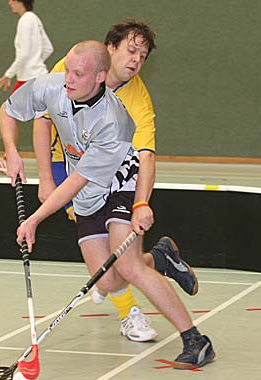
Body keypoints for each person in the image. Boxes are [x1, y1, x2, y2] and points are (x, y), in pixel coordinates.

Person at [0, 40, 215, 369]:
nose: (68, 79)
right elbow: (8, 110)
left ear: (100, 77)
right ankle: (159, 258)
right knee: (108, 281)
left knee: (128, 268)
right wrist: (12, 151)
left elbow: (76, 181)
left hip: (120, 183)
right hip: (88, 192)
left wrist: (34, 220)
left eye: (78, 74)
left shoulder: (113, 121)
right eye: (68, 70)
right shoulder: (54, 86)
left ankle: (196, 341)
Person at [32, 18, 198, 343]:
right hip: (66, 160)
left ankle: (130, 312)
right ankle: (157, 260)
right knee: (108, 270)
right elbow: (43, 120)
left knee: (121, 263)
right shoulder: (76, 65)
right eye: (131, 51)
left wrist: (141, 202)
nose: (136, 60)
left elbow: (146, 156)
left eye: (143, 56)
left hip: (112, 173)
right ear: (110, 48)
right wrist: (45, 178)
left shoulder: (139, 99)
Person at [0, 0, 54, 94]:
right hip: (41, 77)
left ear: (21, 2)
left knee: (12, 103)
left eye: (13, 0)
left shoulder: (25, 21)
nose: (10, 3)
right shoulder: (34, 18)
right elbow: (48, 48)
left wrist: (8, 75)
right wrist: (35, 63)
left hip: (27, 80)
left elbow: (24, 54)